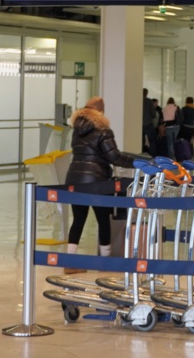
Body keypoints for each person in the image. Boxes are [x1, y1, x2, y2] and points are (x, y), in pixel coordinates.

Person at [64, 96, 137, 274]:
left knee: (78, 219)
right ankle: (105, 261)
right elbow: (114, 157)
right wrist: (136, 162)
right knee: (103, 219)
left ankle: (69, 262)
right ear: (100, 111)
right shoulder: (103, 129)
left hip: (75, 178)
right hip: (97, 181)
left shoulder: (77, 129)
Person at [142, 88, 157, 155]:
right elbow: (153, 114)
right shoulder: (149, 101)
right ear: (146, 93)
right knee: (152, 141)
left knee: (140, 141)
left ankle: (140, 155)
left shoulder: (137, 100)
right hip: (148, 124)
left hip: (139, 125)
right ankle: (152, 156)